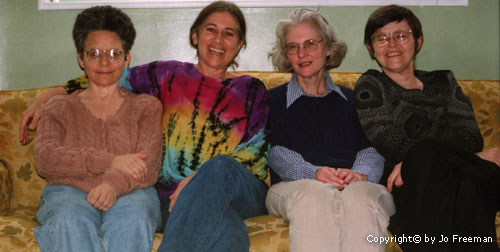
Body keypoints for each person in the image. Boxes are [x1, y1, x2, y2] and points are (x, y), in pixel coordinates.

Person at [23, 1, 269, 252]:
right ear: (195, 36)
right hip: (173, 201)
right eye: (211, 30)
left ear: (239, 44)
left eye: (229, 33)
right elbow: (108, 71)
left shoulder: (252, 89)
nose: (218, 39)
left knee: (218, 169)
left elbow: (255, 156)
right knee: (228, 231)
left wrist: (199, 181)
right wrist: (55, 93)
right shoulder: (167, 75)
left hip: (241, 190)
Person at [354, 5, 500, 252]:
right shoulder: (371, 84)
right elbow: (391, 143)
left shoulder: (444, 81)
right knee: (467, 181)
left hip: (446, 176)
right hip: (411, 183)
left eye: (401, 35)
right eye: (382, 38)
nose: (392, 44)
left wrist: (429, 155)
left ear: (418, 41)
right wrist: (465, 158)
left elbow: (471, 136)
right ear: (371, 48)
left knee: (440, 160)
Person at [33, 6, 162, 252]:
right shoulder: (58, 107)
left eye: (114, 53)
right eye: (94, 53)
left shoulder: (146, 107)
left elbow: (149, 165)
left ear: (127, 58)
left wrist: (112, 185)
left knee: (133, 216)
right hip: (67, 193)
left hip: (132, 193)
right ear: (80, 58)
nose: (104, 62)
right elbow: (46, 159)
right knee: (69, 218)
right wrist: (111, 161)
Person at [265, 8, 395, 252]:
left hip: (355, 185)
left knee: (359, 197)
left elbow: (372, 147)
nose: (302, 53)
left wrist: (360, 175)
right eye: (293, 47)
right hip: (294, 187)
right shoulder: (271, 100)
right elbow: (274, 152)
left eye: (311, 43)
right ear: (286, 55)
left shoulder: (355, 100)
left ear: (328, 49)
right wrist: (313, 172)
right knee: (315, 195)